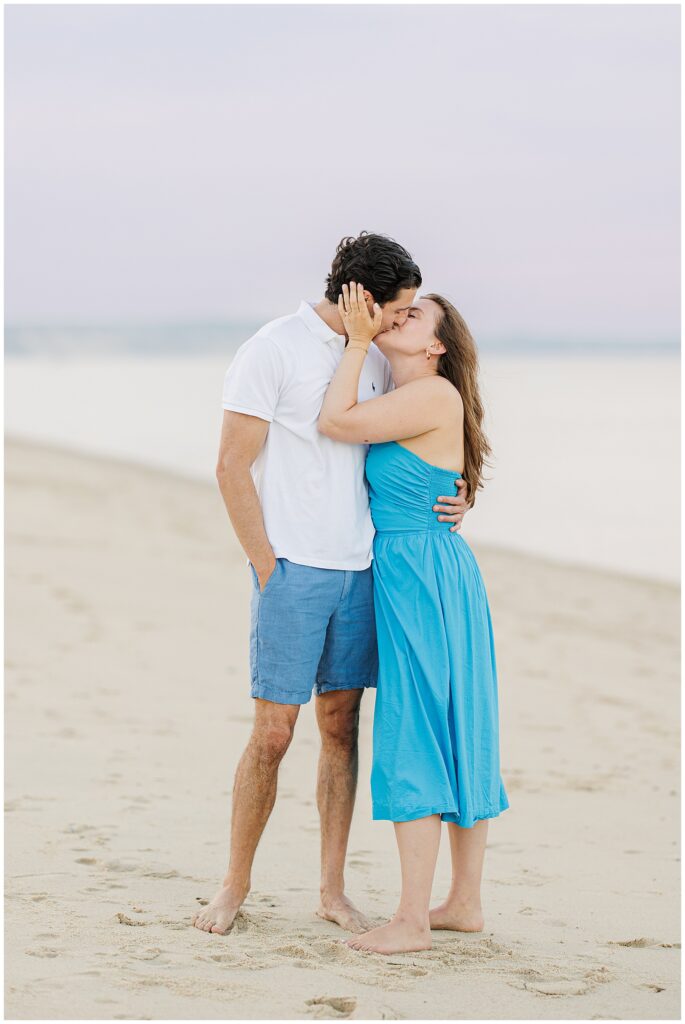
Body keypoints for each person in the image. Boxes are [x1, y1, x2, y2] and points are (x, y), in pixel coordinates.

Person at [191, 234, 471, 936]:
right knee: (274, 734)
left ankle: (330, 889)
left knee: (341, 728)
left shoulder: (379, 353)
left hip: (365, 568)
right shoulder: (271, 349)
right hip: (292, 568)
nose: (402, 321)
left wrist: (456, 497)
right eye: (398, 308)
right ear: (363, 301)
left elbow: (427, 439)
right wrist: (264, 563)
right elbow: (231, 465)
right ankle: (233, 884)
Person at [317, 283, 510, 955]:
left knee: (417, 729)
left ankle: (410, 920)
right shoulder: (409, 395)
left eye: (415, 313)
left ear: (435, 345)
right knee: (451, 723)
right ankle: (462, 902)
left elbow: (334, 422)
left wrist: (361, 338)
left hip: (422, 575)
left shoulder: (430, 393)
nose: (401, 313)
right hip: (422, 568)